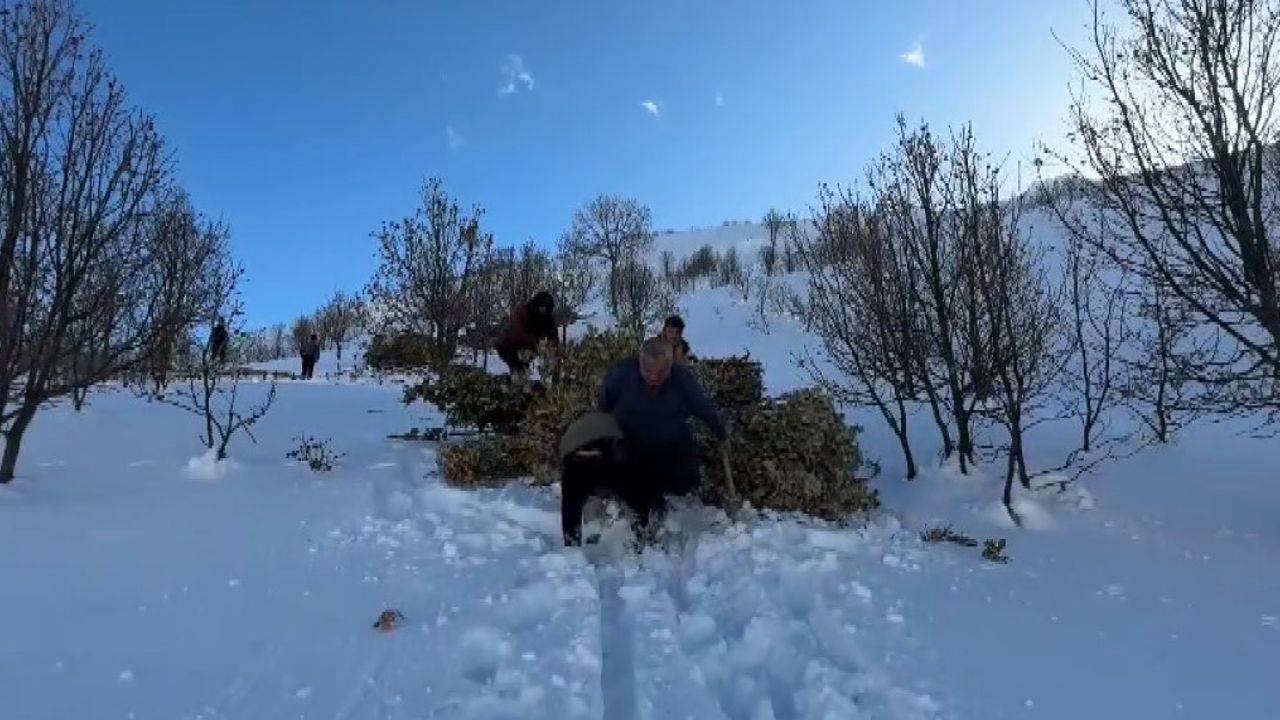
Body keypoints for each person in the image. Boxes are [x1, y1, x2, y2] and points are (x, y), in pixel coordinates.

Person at [598, 336, 727, 505]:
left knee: (682, 484)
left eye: (660, 372)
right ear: (640, 363)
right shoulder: (621, 374)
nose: (653, 377)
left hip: (670, 446)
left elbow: (702, 407)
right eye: (648, 371)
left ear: (670, 366)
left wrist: (720, 430)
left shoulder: (682, 379)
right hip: (631, 444)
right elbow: (603, 407)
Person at [557, 411, 667, 546]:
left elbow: (565, 460)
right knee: (635, 497)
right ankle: (643, 537)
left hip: (579, 463)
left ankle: (572, 542)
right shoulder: (609, 420)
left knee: (571, 502)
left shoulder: (571, 434)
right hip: (610, 457)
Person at [495, 290, 559, 378]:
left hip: (530, 348)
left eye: (546, 309)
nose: (543, 312)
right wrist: (535, 343)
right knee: (520, 362)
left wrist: (552, 350)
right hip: (509, 347)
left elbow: (554, 339)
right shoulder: (524, 312)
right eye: (542, 308)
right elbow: (515, 334)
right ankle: (517, 377)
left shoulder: (548, 319)